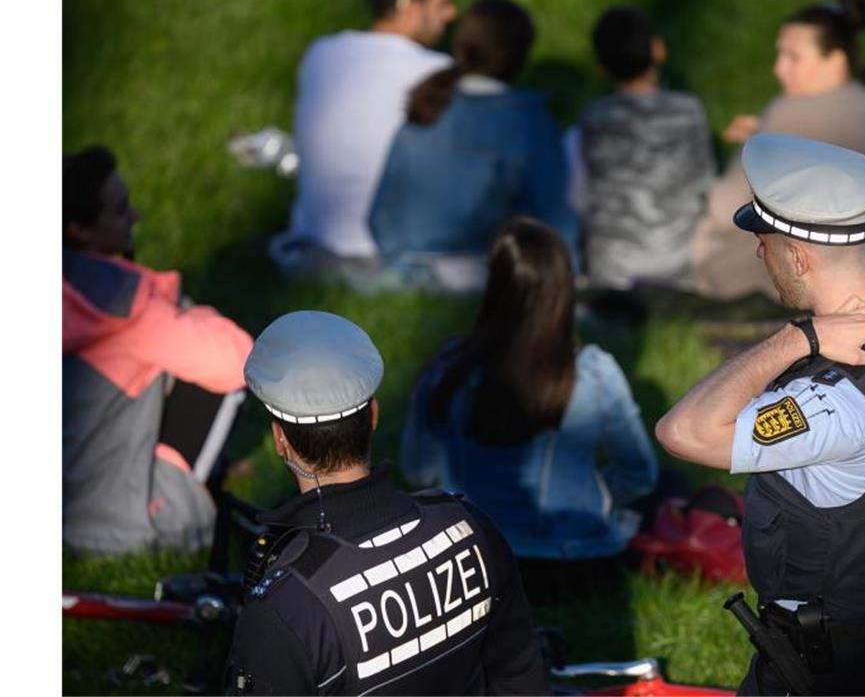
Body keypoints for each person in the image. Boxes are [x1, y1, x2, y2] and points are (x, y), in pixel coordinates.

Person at [656, 135, 865, 695]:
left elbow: (680, 431)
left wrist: (798, 338)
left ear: (800, 255)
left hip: (828, 671)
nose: (759, 253)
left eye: (763, 240)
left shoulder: (825, 404)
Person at [225, 310, 548, 695]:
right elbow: (521, 677)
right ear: (373, 415)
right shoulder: (470, 528)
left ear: (280, 440)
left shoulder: (284, 611)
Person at [400, 218, 659, 603]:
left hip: (471, 565)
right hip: (573, 566)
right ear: (564, 290)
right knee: (672, 489)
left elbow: (418, 471)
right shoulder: (593, 371)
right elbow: (639, 476)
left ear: (494, 286)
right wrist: (596, 495)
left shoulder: (448, 369)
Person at [63, 145, 253, 555]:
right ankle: (179, 505)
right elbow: (241, 362)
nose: (135, 216)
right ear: (79, 229)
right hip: (120, 529)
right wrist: (184, 312)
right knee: (218, 372)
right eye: (119, 210)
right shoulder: (128, 311)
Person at [692, 0, 865, 301]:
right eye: (779, 56)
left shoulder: (788, 111)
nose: (778, 69)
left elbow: (724, 207)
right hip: (846, 267)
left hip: (775, 278)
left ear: (835, 60)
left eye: (793, 57)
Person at [270, 0, 457, 290]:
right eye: (441, 5)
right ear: (411, 6)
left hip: (311, 248)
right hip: (393, 256)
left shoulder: (320, 54)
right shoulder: (439, 73)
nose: (451, 14)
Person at [368, 0, 578, 290]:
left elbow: (382, 212)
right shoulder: (528, 124)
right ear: (520, 58)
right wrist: (571, 275)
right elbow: (554, 218)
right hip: (487, 275)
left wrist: (401, 266)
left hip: (407, 270)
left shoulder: (427, 107)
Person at [572, 5, 715, 289]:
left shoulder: (593, 120)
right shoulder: (690, 113)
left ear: (601, 67)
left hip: (611, 274)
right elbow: (705, 184)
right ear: (658, 49)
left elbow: (578, 196)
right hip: (678, 269)